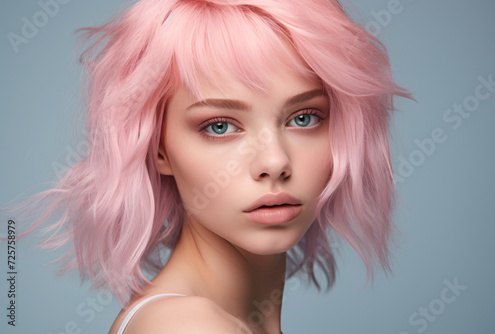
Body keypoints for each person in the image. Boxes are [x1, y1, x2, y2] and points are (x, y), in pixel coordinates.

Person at [3, 0, 411, 333]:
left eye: (304, 118)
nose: (275, 162)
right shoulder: (186, 327)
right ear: (158, 148)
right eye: (219, 126)